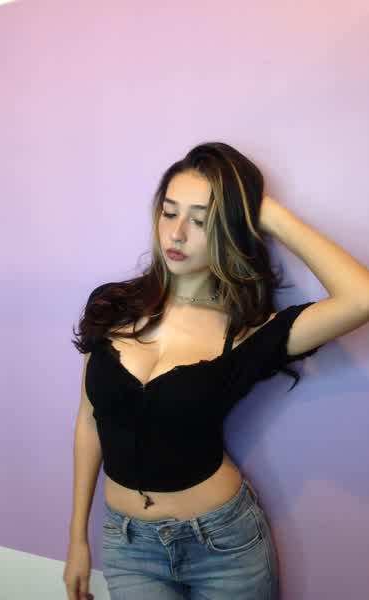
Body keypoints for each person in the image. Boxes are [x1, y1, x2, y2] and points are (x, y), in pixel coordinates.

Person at [63, 141, 369, 600]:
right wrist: (77, 538)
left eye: (202, 220)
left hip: (224, 547)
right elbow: (89, 421)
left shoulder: (250, 334)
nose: (177, 233)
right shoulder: (112, 306)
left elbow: (360, 299)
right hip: (129, 547)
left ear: (230, 228)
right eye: (169, 212)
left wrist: (264, 212)